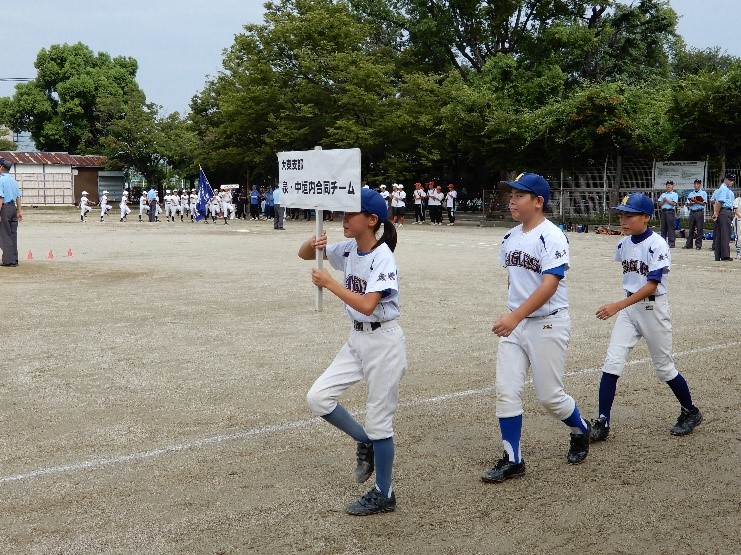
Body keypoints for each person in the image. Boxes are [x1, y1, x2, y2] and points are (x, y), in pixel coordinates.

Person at [298, 188, 406, 516]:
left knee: (380, 421)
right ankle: (364, 440)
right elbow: (304, 254)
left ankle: (384, 493)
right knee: (318, 398)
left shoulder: (383, 256)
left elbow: (368, 304)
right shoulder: (348, 248)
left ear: (371, 220)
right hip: (356, 339)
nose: (344, 219)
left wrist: (330, 284)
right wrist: (313, 241)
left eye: (350, 214)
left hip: (383, 342)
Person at [482, 173, 590, 484]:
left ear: (538, 201)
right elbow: (514, 279)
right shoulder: (509, 237)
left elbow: (549, 284)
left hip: (548, 323)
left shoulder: (552, 236)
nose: (512, 200)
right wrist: (514, 315)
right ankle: (513, 459)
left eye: (519, 195)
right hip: (517, 325)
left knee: (549, 397)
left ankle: (580, 429)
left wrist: (515, 316)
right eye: (511, 195)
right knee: (506, 391)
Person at [591, 193, 702, 441]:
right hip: (630, 309)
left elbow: (652, 285)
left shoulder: (657, 244)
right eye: (621, 215)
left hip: (653, 309)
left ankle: (690, 411)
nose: (623, 220)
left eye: (629, 216)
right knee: (612, 363)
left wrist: (617, 306)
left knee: (664, 369)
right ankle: (602, 420)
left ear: (646, 217)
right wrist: (623, 306)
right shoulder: (623, 244)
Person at [0, 157, 22, 267]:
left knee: (4, 234)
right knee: (13, 235)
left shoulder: (1, 180)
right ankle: (14, 258)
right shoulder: (14, 181)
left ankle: (9, 261)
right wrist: (19, 211)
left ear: (1, 167)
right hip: (13, 208)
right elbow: (18, 197)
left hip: (5, 208)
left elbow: (0, 197)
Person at [710, 173, 736, 261]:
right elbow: (720, 202)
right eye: (730, 180)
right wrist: (716, 213)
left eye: (733, 180)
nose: (732, 182)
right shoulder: (724, 189)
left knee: (720, 234)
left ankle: (718, 255)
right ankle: (725, 255)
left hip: (725, 211)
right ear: (725, 180)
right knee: (725, 234)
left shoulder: (724, 189)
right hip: (724, 211)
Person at [684, 179, 707, 250]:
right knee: (691, 228)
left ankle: (698, 245)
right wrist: (691, 203)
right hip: (692, 211)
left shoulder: (703, 193)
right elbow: (687, 203)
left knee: (699, 228)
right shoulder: (691, 194)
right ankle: (689, 244)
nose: (696, 185)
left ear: (700, 185)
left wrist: (696, 201)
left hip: (699, 211)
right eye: (695, 184)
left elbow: (704, 203)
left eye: (698, 184)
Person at [657, 180, 677, 247]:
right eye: (667, 185)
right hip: (663, 212)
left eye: (670, 185)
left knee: (671, 228)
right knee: (663, 228)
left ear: (672, 186)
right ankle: (663, 243)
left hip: (670, 212)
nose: (669, 186)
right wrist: (663, 201)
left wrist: (667, 201)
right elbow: (659, 204)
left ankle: (671, 243)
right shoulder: (663, 194)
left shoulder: (674, 194)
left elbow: (674, 203)